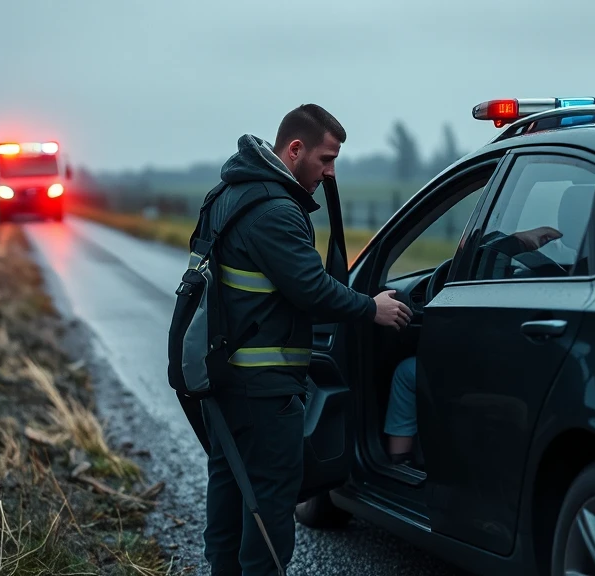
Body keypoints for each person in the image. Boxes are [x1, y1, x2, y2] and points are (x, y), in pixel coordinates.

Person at [196, 104, 412, 576]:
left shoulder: (226, 195)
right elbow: (311, 288)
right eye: (325, 159)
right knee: (271, 504)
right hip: (263, 387)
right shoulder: (275, 211)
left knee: (230, 491)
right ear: (295, 150)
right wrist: (370, 307)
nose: (330, 172)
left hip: (223, 380)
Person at [382, 224, 565, 465]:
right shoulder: (577, 269)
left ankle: (400, 460)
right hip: (539, 379)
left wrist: (516, 243)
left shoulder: (493, 279)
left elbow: (487, 261)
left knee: (406, 372)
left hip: (494, 382)